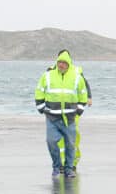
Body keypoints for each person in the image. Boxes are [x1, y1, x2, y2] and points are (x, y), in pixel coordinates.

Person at [34, 50, 88, 178]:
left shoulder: (77, 77)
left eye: (64, 62)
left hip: (69, 118)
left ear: (69, 64)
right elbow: (39, 90)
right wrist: (41, 108)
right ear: (56, 63)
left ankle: (69, 169)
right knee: (51, 142)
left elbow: (83, 93)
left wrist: (79, 110)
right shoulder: (47, 75)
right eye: (59, 62)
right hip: (52, 117)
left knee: (70, 144)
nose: (61, 65)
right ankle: (56, 166)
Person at [46, 50, 92, 171]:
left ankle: (73, 162)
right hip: (55, 112)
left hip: (72, 110)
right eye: (60, 59)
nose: (62, 62)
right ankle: (62, 164)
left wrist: (88, 97)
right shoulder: (50, 71)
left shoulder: (76, 71)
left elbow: (84, 84)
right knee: (58, 139)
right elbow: (44, 87)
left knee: (72, 136)